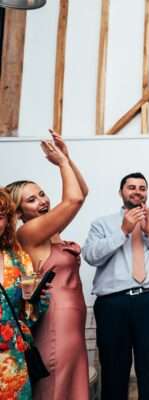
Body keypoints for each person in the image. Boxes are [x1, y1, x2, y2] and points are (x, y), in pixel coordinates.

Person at [82, 171, 149, 400]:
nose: (137, 191)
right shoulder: (102, 224)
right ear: (121, 192)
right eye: (131, 187)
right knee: (114, 371)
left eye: (142, 188)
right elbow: (90, 255)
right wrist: (123, 231)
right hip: (113, 304)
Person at [6, 131, 89, 400]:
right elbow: (74, 200)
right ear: (17, 212)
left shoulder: (51, 231)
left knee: (72, 386)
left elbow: (82, 193)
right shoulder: (29, 233)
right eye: (32, 199)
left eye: (42, 194)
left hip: (72, 320)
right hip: (56, 320)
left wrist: (67, 158)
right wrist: (62, 164)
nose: (42, 201)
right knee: (57, 386)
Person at [0, 188, 49, 399]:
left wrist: (36, 297)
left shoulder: (18, 257)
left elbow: (31, 314)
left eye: (0, 216)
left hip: (13, 360)